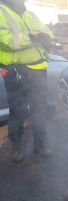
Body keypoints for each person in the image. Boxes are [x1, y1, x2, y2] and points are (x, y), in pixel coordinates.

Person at [0, 0, 54, 162]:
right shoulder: (2, 12)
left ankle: (40, 145)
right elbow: (7, 41)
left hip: (38, 68)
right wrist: (33, 37)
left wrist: (45, 38)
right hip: (16, 70)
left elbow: (49, 34)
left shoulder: (30, 14)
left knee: (40, 109)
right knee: (17, 111)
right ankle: (16, 149)